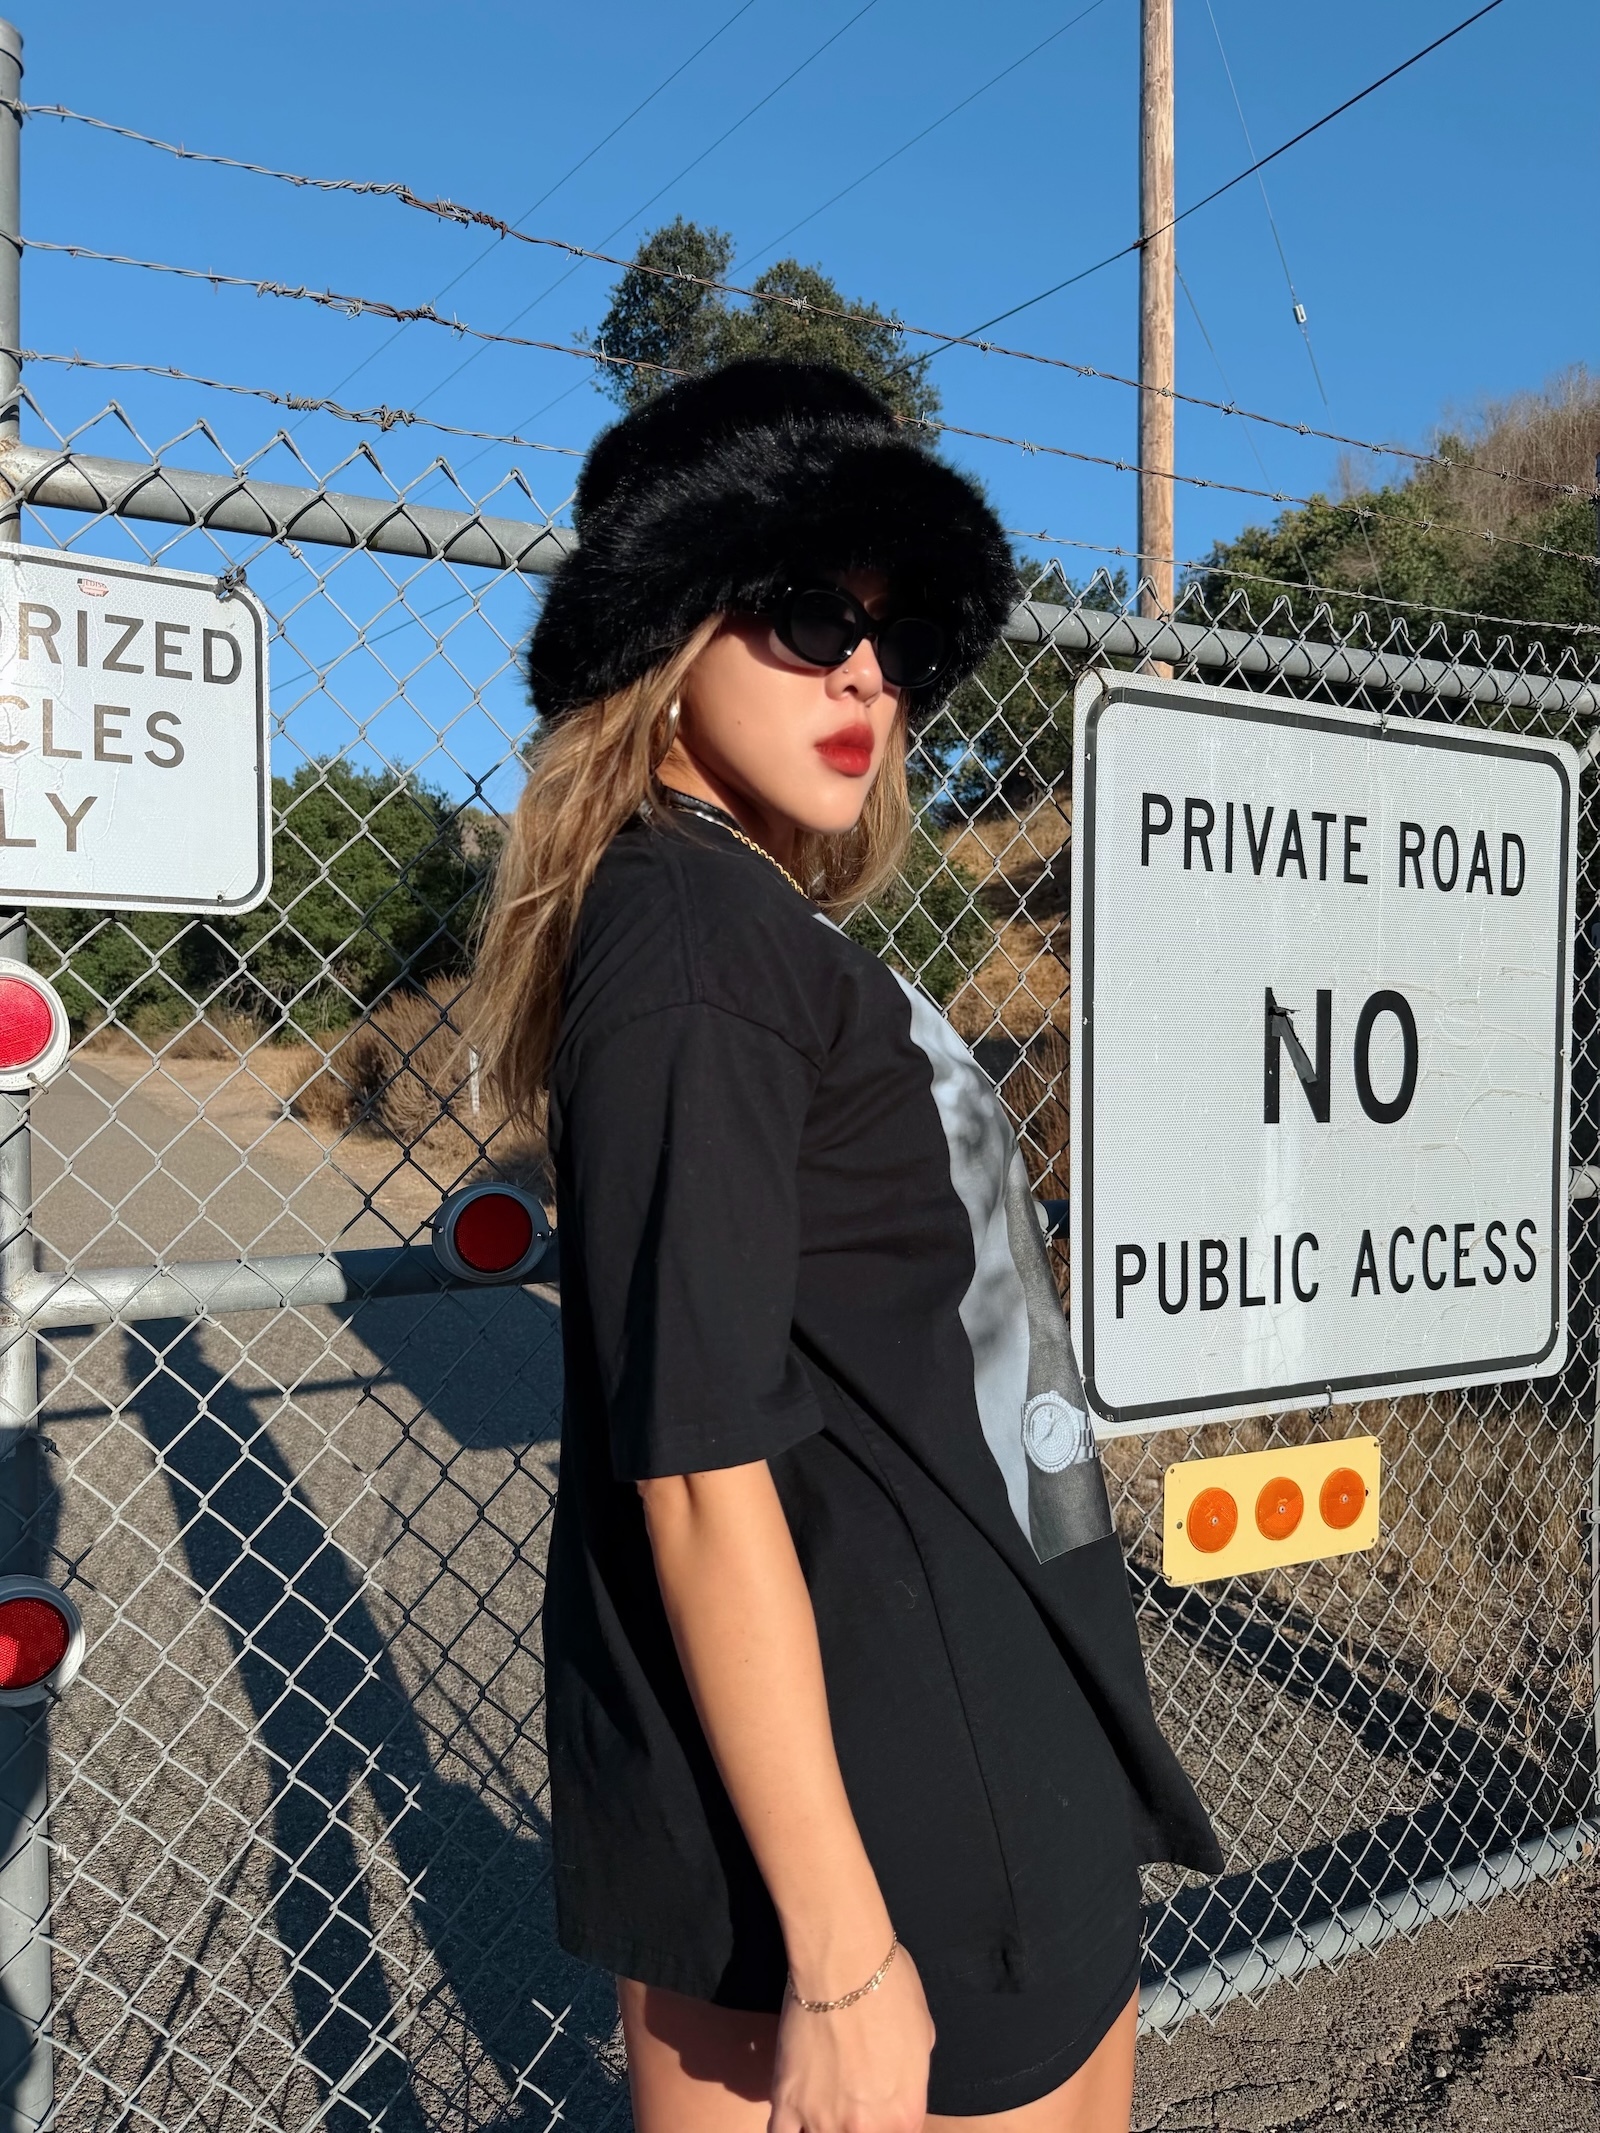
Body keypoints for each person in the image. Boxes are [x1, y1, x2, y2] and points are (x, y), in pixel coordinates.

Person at [473, 359, 1220, 2133]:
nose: (867, 674)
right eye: (812, 613)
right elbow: (696, 1470)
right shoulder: (688, 936)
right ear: (665, 633)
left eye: (896, 637)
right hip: (885, 1814)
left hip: (966, 1753)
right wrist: (837, 1949)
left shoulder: (750, 923)